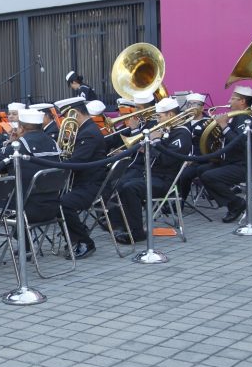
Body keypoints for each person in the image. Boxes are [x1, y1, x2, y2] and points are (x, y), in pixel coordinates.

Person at [110, 98, 193, 244]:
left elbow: (167, 160)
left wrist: (156, 142)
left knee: (130, 188)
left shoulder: (182, 133)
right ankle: (123, 225)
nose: (157, 120)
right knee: (121, 184)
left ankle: (137, 233)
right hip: (152, 176)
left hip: (165, 181)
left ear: (171, 114)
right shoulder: (168, 130)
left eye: (160, 116)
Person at [195, 86, 252, 223]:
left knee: (209, 176)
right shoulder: (235, 117)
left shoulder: (245, 118)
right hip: (232, 162)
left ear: (242, 101)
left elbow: (241, 143)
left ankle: (236, 203)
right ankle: (228, 199)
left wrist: (224, 126)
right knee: (201, 170)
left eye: (233, 98)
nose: (229, 101)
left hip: (245, 165)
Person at [57, 100, 106, 259]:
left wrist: (57, 164)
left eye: (65, 116)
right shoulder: (85, 130)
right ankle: (75, 237)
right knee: (57, 201)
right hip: (85, 182)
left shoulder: (88, 133)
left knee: (63, 204)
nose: (64, 121)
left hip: (90, 185)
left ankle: (85, 241)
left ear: (75, 114)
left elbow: (78, 162)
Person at [177, 92, 209, 202]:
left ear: (202, 107)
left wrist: (193, 159)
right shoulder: (183, 123)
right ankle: (169, 201)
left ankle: (181, 200)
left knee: (184, 174)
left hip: (200, 160)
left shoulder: (209, 122)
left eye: (195, 104)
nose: (191, 107)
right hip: (183, 159)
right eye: (189, 104)